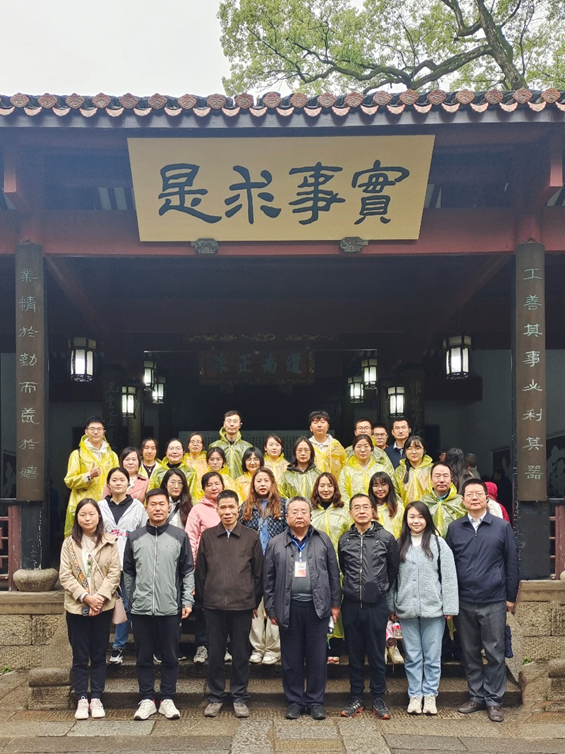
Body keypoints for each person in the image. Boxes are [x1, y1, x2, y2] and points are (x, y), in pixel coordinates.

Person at [446, 479, 519, 723]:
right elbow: (448, 566)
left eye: (479, 493)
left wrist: (510, 596)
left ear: (487, 498)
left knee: (495, 651)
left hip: (493, 598)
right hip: (464, 599)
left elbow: (512, 562)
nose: (474, 498)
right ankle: (476, 695)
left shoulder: (501, 527)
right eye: (469, 494)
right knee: (469, 651)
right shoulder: (455, 528)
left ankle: (494, 700)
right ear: (463, 500)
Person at [264, 496, 341, 720]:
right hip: (288, 607)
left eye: (303, 511)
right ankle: (295, 701)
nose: (299, 515)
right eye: (294, 512)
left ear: (310, 515)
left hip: (317, 607)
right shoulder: (275, 543)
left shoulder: (323, 540)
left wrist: (335, 604)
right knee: (291, 659)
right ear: (286, 516)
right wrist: (271, 608)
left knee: (317, 658)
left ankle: (315, 701)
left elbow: (334, 574)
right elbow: (268, 580)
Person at [123, 489, 195, 721]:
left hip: (170, 607)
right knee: (143, 657)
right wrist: (132, 599)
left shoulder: (179, 536)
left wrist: (187, 600)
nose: (157, 508)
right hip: (141, 608)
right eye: (152, 504)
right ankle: (146, 699)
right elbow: (128, 572)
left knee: (170, 656)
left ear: (168, 507)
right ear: (146, 508)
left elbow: (187, 571)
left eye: (161, 504)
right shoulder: (135, 537)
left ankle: (167, 699)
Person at [195, 489, 264, 718]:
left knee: (241, 653)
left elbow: (258, 573)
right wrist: (204, 601)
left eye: (231, 507)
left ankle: (239, 696)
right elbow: (201, 572)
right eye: (223, 507)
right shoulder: (208, 536)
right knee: (215, 654)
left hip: (242, 606)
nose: (227, 512)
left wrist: (253, 601)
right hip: (213, 606)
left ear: (238, 510)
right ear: (217, 510)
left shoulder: (251, 537)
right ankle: (215, 696)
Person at [388, 501, 459, 715]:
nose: (416, 521)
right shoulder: (399, 544)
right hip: (406, 608)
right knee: (412, 655)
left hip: (433, 609)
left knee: (432, 655)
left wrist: (449, 606)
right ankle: (415, 694)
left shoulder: (438, 544)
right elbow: (392, 579)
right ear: (406, 520)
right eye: (412, 517)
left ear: (427, 519)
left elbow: (449, 576)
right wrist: (391, 605)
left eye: (420, 517)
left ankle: (430, 695)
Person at [338, 493, 399, 719]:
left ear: (373, 511)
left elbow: (392, 570)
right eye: (357, 507)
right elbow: (343, 567)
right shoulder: (345, 540)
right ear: (350, 512)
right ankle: (356, 696)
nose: (362, 511)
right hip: (352, 605)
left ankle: (378, 698)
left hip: (376, 605)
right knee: (354, 655)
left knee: (376, 655)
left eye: (366, 507)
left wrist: (380, 589)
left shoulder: (386, 538)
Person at [60, 497, 121, 720]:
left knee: (98, 654)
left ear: (99, 516)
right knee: (79, 655)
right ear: (77, 517)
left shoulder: (110, 541)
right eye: (83, 514)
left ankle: (96, 697)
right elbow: (65, 575)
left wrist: (99, 598)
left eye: (92, 514)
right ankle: (81, 699)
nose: (88, 518)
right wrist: (86, 597)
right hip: (77, 607)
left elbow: (114, 572)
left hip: (102, 607)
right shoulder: (68, 544)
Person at [98, 467, 147, 666]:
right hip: (104, 563)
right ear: (108, 484)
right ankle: (100, 647)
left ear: (129, 483)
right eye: (114, 480)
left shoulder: (137, 506)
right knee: (102, 604)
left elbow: (143, 533)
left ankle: (118, 647)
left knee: (126, 604)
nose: (118, 483)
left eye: (122, 480)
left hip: (129, 562)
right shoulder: (100, 506)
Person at [239, 468, 286, 665]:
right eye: (258, 481)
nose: (262, 484)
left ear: (272, 483)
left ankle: (273, 649)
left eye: (266, 480)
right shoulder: (245, 507)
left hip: (277, 562)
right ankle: (257, 647)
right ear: (253, 484)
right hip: (253, 563)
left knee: (274, 604)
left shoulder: (284, 505)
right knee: (255, 605)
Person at [310, 472, 350, 663]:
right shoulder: (311, 511)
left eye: (329, 485)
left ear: (335, 488)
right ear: (316, 489)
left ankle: (335, 646)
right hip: (315, 565)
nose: (326, 489)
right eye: (322, 485)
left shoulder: (344, 511)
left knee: (337, 605)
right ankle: (319, 647)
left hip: (340, 566)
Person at [186, 471, 224, 665]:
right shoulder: (197, 510)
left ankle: (222, 646)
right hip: (204, 566)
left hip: (227, 566)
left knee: (225, 607)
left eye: (217, 483)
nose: (214, 487)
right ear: (203, 489)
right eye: (209, 484)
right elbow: (191, 538)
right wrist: (193, 566)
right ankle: (202, 645)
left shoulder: (230, 505)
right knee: (202, 606)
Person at [64, 416, 119, 537]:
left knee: (105, 539)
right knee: (80, 540)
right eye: (92, 429)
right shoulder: (77, 454)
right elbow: (69, 481)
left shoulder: (112, 456)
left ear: (104, 432)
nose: (95, 432)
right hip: (83, 506)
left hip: (107, 506)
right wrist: (89, 476)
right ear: (86, 431)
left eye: (99, 429)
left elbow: (118, 480)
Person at [339, 434, 394, 504]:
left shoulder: (381, 469)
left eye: (366, 446)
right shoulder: (346, 470)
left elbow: (389, 491)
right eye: (359, 446)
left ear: (371, 449)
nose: (362, 450)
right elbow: (343, 493)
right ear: (353, 450)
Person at [420, 463, 466, 537]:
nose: (441, 480)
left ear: (451, 478)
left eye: (445, 476)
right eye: (437, 476)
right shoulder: (423, 501)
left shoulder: (461, 502)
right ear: (431, 478)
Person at [210, 410, 252, 479]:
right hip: (221, 483)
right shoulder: (214, 446)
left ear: (240, 425)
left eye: (235, 421)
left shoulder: (247, 447)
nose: (232, 424)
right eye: (229, 421)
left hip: (242, 484)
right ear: (224, 424)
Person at [393, 436, 433, 505]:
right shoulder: (399, 471)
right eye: (409, 448)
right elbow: (394, 495)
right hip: (406, 511)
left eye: (417, 448)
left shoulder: (433, 469)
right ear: (405, 451)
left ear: (424, 450)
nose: (413, 452)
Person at [309, 410, 347, 479]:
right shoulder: (307, 446)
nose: (319, 425)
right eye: (315, 422)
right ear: (311, 428)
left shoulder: (336, 446)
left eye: (323, 422)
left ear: (328, 426)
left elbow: (344, 466)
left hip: (333, 484)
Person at [368, 471, 405, 538]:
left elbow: (404, 530)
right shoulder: (367, 508)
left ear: (389, 486)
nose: (380, 489)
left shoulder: (399, 507)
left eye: (383, 484)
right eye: (376, 485)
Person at [184, 432, 209, 499]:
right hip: (186, 497)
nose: (195, 444)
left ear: (203, 446)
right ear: (188, 445)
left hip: (205, 497)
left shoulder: (208, 460)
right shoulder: (182, 460)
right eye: (192, 442)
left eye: (198, 442)